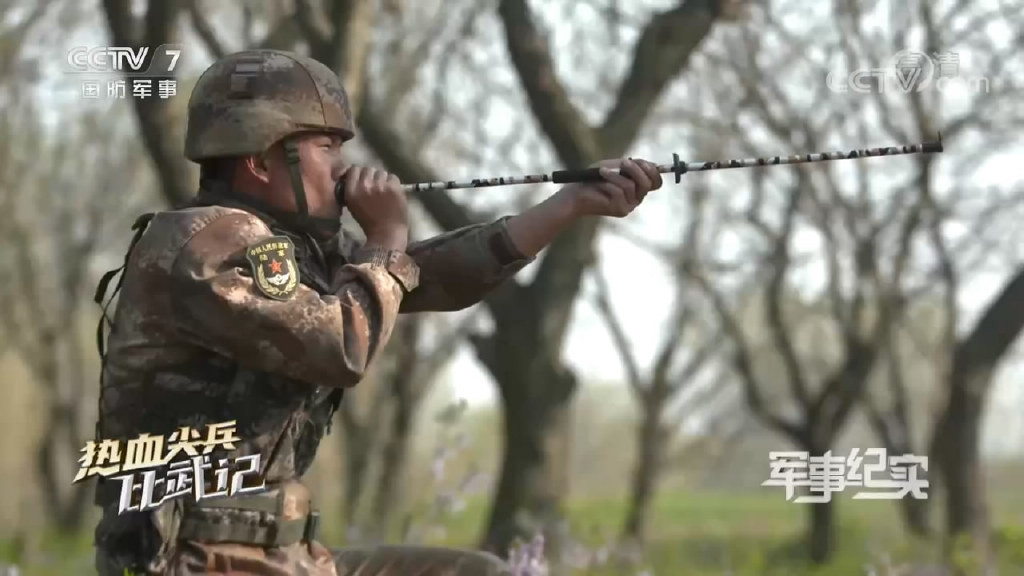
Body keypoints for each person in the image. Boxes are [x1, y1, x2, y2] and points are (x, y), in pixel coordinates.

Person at [90, 48, 664, 576]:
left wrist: (568, 206)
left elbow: (424, 276)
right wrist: (385, 237)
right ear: (261, 161)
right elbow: (341, 345)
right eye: (326, 148)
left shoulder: (287, 247)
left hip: (282, 556)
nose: (343, 169)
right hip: (192, 559)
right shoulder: (208, 241)